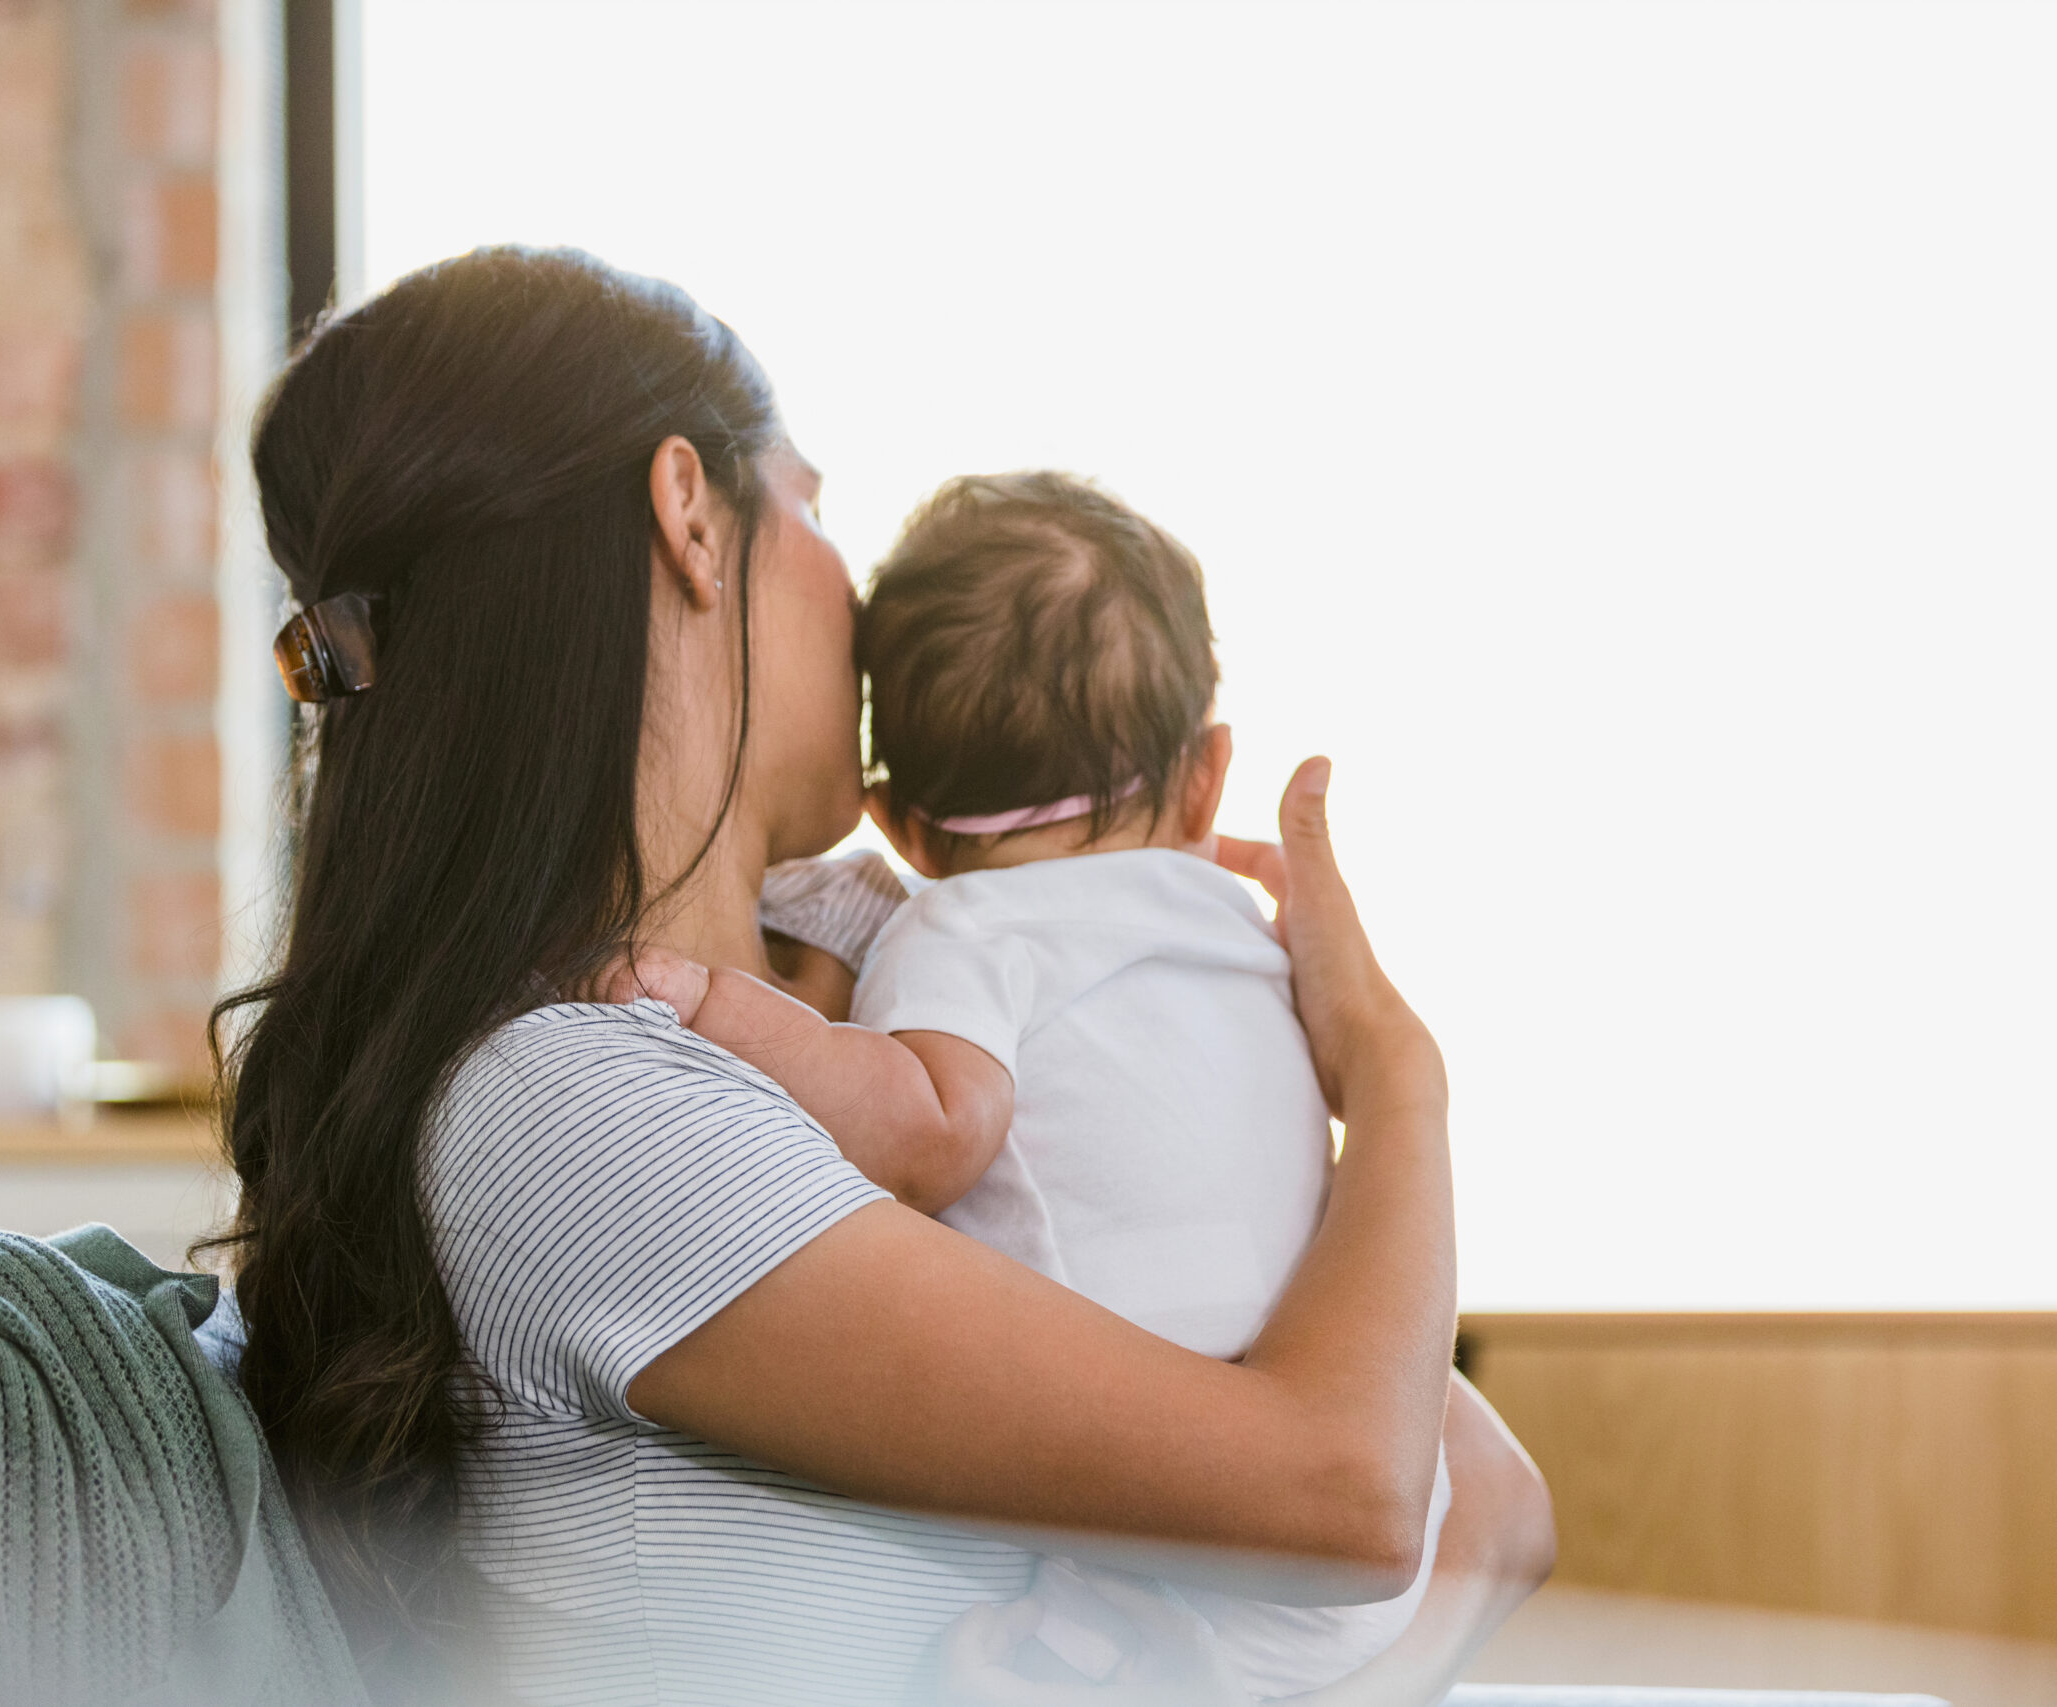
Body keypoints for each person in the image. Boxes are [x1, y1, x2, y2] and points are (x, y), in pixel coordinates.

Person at [216, 244, 1553, 1707]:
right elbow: (1364, 1491)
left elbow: (1485, 1496)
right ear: (692, 520)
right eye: (810, 505)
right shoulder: (568, 1104)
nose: (858, 598)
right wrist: (1399, 1082)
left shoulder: (891, 968)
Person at [630, 470, 1453, 1698]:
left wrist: (718, 1007)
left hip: (1190, 1521)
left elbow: (935, 1127)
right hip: (1385, 1481)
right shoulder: (1243, 925)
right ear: (1205, 775)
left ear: (900, 823)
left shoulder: (967, 930)